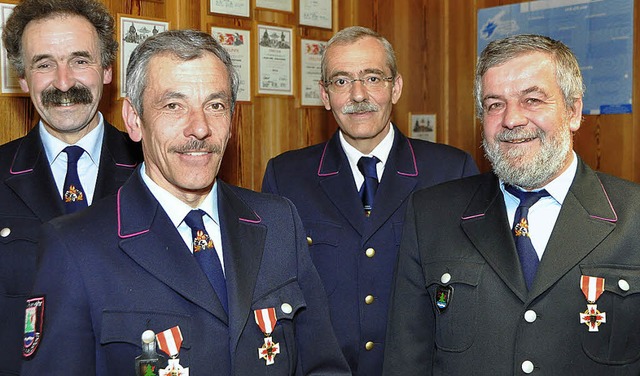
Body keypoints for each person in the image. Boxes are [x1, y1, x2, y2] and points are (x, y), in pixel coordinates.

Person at [21, 29, 350, 376]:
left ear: (232, 120)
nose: (200, 128)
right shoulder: (76, 248)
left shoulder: (278, 223)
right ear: (134, 119)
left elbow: (323, 366)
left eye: (215, 105)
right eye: (174, 105)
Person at [383, 33, 640, 375]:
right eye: (494, 104)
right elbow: (406, 360)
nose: (511, 119)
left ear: (574, 111)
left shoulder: (633, 217)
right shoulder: (431, 215)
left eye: (532, 99)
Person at [262, 26, 478, 375]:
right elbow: (274, 296)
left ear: (396, 88)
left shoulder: (451, 171)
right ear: (324, 94)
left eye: (373, 78)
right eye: (342, 81)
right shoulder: (286, 176)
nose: (358, 95)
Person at [0, 0, 142, 374]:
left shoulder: (155, 171)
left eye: (80, 61)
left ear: (107, 70)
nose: (63, 82)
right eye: (44, 64)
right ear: (24, 79)